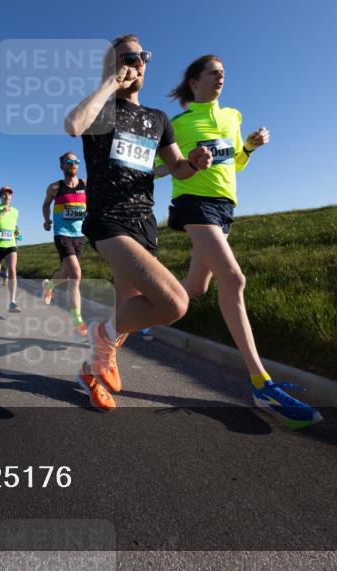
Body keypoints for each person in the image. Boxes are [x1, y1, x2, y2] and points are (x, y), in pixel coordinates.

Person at [155, 54, 321, 428]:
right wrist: (189, 163)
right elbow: (158, 168)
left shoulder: (233, 117)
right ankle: (262, 383)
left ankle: (148, 309)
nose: (221, 78)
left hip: (224, 207)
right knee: (234, 279)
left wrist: (249, 148)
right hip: (192, 203)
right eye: (213, 73)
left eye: (224, 74)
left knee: (196, 288)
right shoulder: (177, 123)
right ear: (193, 81)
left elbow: (235, 165)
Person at [64, 34, 213, 411]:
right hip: (108, 221)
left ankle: (93, 367)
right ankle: (101, 335)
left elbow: (178, 167)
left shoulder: (158, 119)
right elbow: (72, 125)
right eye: (128, 56)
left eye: (142, 55)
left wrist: (194, 163)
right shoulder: (103, 108)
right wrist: (111, 82)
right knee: (175, 303)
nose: (138, 61)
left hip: (144, 222)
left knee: (131, 310)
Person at [41, 151, 88, 336]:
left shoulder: (85, 185)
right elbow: (45, 205)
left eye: (76, 161)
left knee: (67, 274)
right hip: (62, 234)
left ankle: (49, 286)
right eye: (69, 162)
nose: (74, 164)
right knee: (76, 273)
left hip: (80, 235)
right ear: (62, 166)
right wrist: (46, 220)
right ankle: (78, 321)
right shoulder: (54, 187)